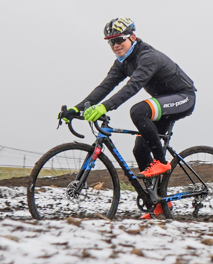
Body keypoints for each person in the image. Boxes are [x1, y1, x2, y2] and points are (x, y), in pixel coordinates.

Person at [65, 18, 197, 187]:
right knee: (140, 150)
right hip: (162, 105)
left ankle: (161, 162)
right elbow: (105, 87)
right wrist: (77, 109)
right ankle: (157, 202)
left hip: (183, 97)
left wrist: (105, 106)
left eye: (119, 39)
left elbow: (132, 86)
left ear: (132, 37)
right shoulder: (123, 62)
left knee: (138, 111)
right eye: (111, 42)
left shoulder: (148, 56)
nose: (115, 45)